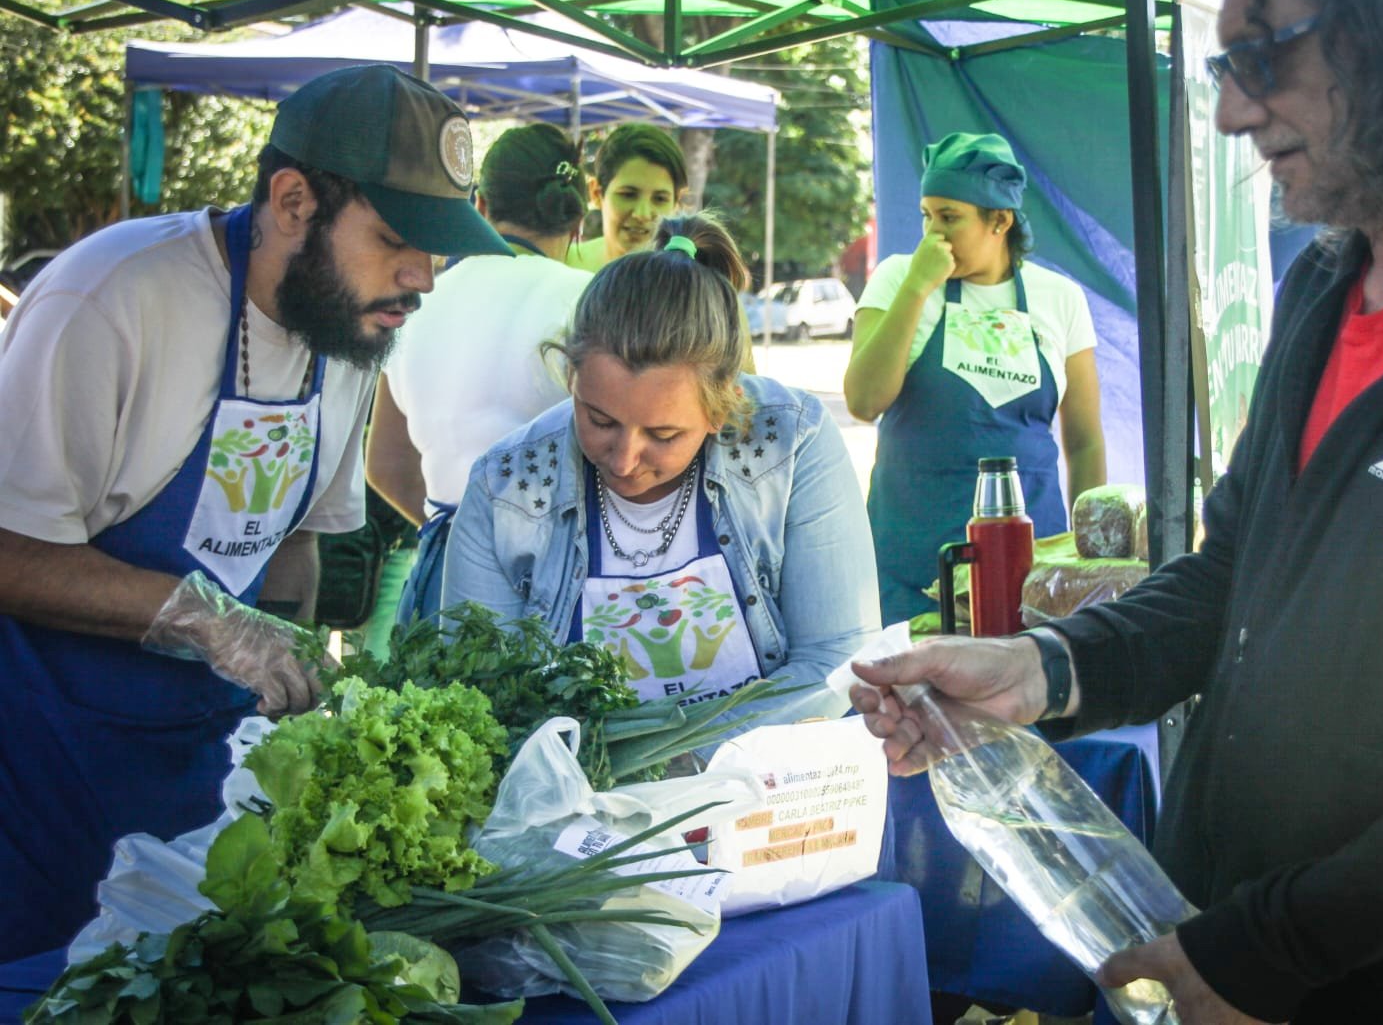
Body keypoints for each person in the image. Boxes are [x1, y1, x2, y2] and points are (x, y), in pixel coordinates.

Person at [851, 0, 1383, 1022]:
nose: (1235, 109)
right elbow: (1231, 577)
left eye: (1265, 54)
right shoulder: (1326, 281)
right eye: (1225, 62)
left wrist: (1270, 950)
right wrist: (1045, 667)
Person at [0, 63, 511, 961]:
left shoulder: (350, 336)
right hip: (42, 760)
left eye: (436, 251)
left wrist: (286, 693)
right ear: (292, 201)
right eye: (396, 238)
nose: (421, 277)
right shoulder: (115, 296)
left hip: (201, 766)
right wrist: (202, 620)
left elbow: (293, 550)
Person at [444, 214, 879, 732]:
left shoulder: (791, 442)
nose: (625, 459)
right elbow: (482, 695)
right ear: (570, 375)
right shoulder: (508, 486)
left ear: (724, 407)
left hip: (758, 794)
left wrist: (678, 768)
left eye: (663, 435)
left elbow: (835, 658)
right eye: (599, 419)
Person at [844, 132, 1105, 625]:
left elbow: (1086, 441)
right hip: (914, 563)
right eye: (926, 215)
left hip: (1032, 565)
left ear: (999, 221)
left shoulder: (1060, 297)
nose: (932, 235)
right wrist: (919, 287)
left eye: (949, 218)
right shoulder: (898, 277)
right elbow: (863, 399)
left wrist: (1092, 556)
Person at [368, 122, 594, 626]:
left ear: (481, 207)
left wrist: (463, 533)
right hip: (552, 579)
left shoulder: (417, 303)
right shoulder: (590, 297)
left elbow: (384, 465)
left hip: (440, 575)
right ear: (579, 222)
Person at [565, 123, 687, 273]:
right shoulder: (563, 267)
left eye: (660, 199)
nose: (642, 214)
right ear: (596, 193)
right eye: (628, 195)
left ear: (677, 203)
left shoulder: (689, 282)